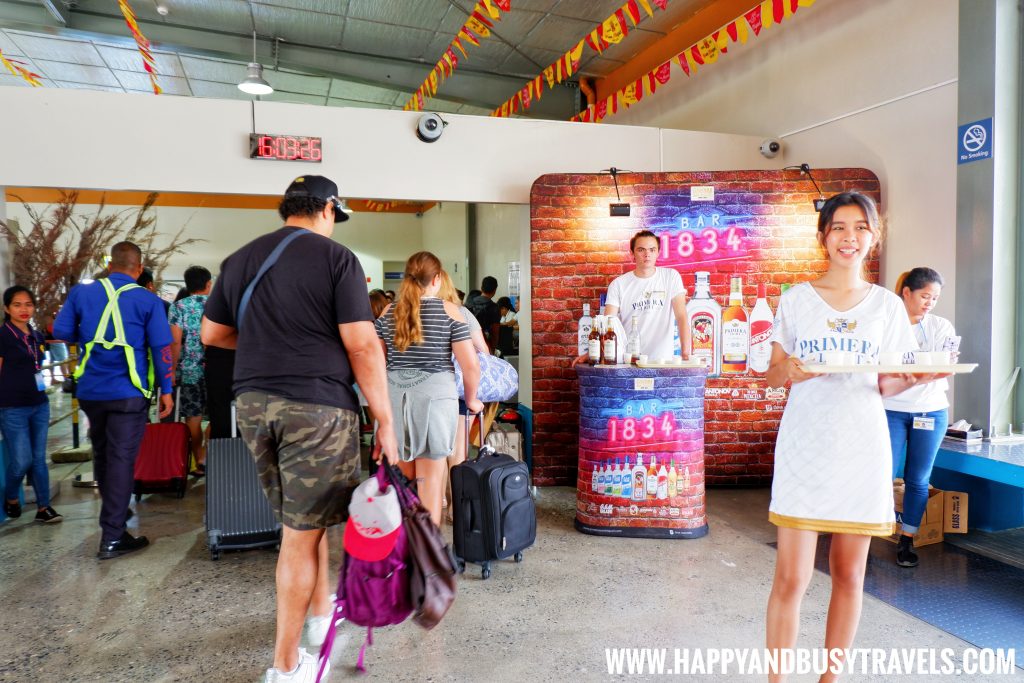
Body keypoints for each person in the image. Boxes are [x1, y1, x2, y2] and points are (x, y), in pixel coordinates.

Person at [201, 174, 397, 683]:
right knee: (299, 535)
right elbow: (361, 345)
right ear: (328, 209)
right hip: (315, 407)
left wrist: (272, 340)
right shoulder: (337, 259)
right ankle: (286, 667)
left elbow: (213, 333)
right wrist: (386, 419)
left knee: (302, 524)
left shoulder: (241, 258)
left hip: (251, 404)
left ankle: (319, 616)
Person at [763, 193, 948, 681]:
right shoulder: (795, 299)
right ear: (823, 236)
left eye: (860, 228)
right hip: (805, 446)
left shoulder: (887, 306)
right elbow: (771, 374)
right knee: (791, 577)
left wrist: (918, 378)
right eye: (839, 227)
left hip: (861, 448)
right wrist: (791, 370)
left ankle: (831, 677)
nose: (849, 237)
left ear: (873, 236)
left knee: (849, 575)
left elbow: (885, 381)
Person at [54, 241, 174, 559]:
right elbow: (162, 349)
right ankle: (112, 536)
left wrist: (93, 333)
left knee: (104, 457)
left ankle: (116, 519)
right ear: (138, 268)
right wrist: (167, 390)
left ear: (110, 266)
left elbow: (63, 331)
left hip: (91, 391)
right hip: (129, 393)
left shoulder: (83, 292)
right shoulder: (148, 300)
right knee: (121, 459)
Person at [375, 252, 483, 527]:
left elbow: (375, 361)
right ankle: (427, 558)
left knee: (402, 485)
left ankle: (405, 552)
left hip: (395, 400)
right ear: (436, 279)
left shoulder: (389, 312)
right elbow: (470, 366)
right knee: (430, 487)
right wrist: (472, 400)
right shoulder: (450, 312)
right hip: (436, 401)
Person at [884, 267, 956, 568]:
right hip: (891, 409)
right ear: (907, 293)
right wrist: (924, 374)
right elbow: (882, 373)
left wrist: (912, 377)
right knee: (882, 474)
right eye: (925, 296)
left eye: (935, 298)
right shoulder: (886, 326)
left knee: (918, 479)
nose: (930, 303)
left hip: (931, 409)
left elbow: (947, 367)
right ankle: (873, 531)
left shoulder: (941, 326)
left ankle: (907, 540)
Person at [1, 286, 62, 523]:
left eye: (28, 304)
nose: (24, 309)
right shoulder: (3, 336)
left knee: (38, 459)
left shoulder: (36, 336)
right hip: (12, 407)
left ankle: (43, 508)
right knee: (22, 460)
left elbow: (37, 367)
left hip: (39, 403)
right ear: (7, 308)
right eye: (17, 305)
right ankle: (11, 496)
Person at [438, 270, 489, 520]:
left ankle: (438, 500)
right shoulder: (461, 313)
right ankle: (457, 509)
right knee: (457, 451)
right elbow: (483, 351)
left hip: (427, 390)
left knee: (433, 451)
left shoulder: (416, 312)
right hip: (458, 388)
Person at [606, 230, 691, 361]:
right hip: (629, 359)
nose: (647, 254)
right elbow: (608, 324)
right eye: (641, 250)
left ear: (658, 252)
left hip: (662, 361)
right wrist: (594, 352)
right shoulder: (618, 284)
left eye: (652, 250)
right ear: (632, 253)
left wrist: (686, 352)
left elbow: (681, 316)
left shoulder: (671, 277)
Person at [169, 265, 213, 477]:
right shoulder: (218, 305)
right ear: (208, 284)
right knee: (218, 414)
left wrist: (172, 369)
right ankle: (210, 449)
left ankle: (199, 460)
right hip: (215, 369)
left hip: (188, 371)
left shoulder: (178, 307)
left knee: (192, 416)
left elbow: (175, 342)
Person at [468, 276, 501, 354]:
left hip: (467, 345)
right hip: (484, 345)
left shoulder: (469, 303)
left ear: (481, 288)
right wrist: (493, 349)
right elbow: (495, 332)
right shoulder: (494, 308)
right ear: (495, 290)